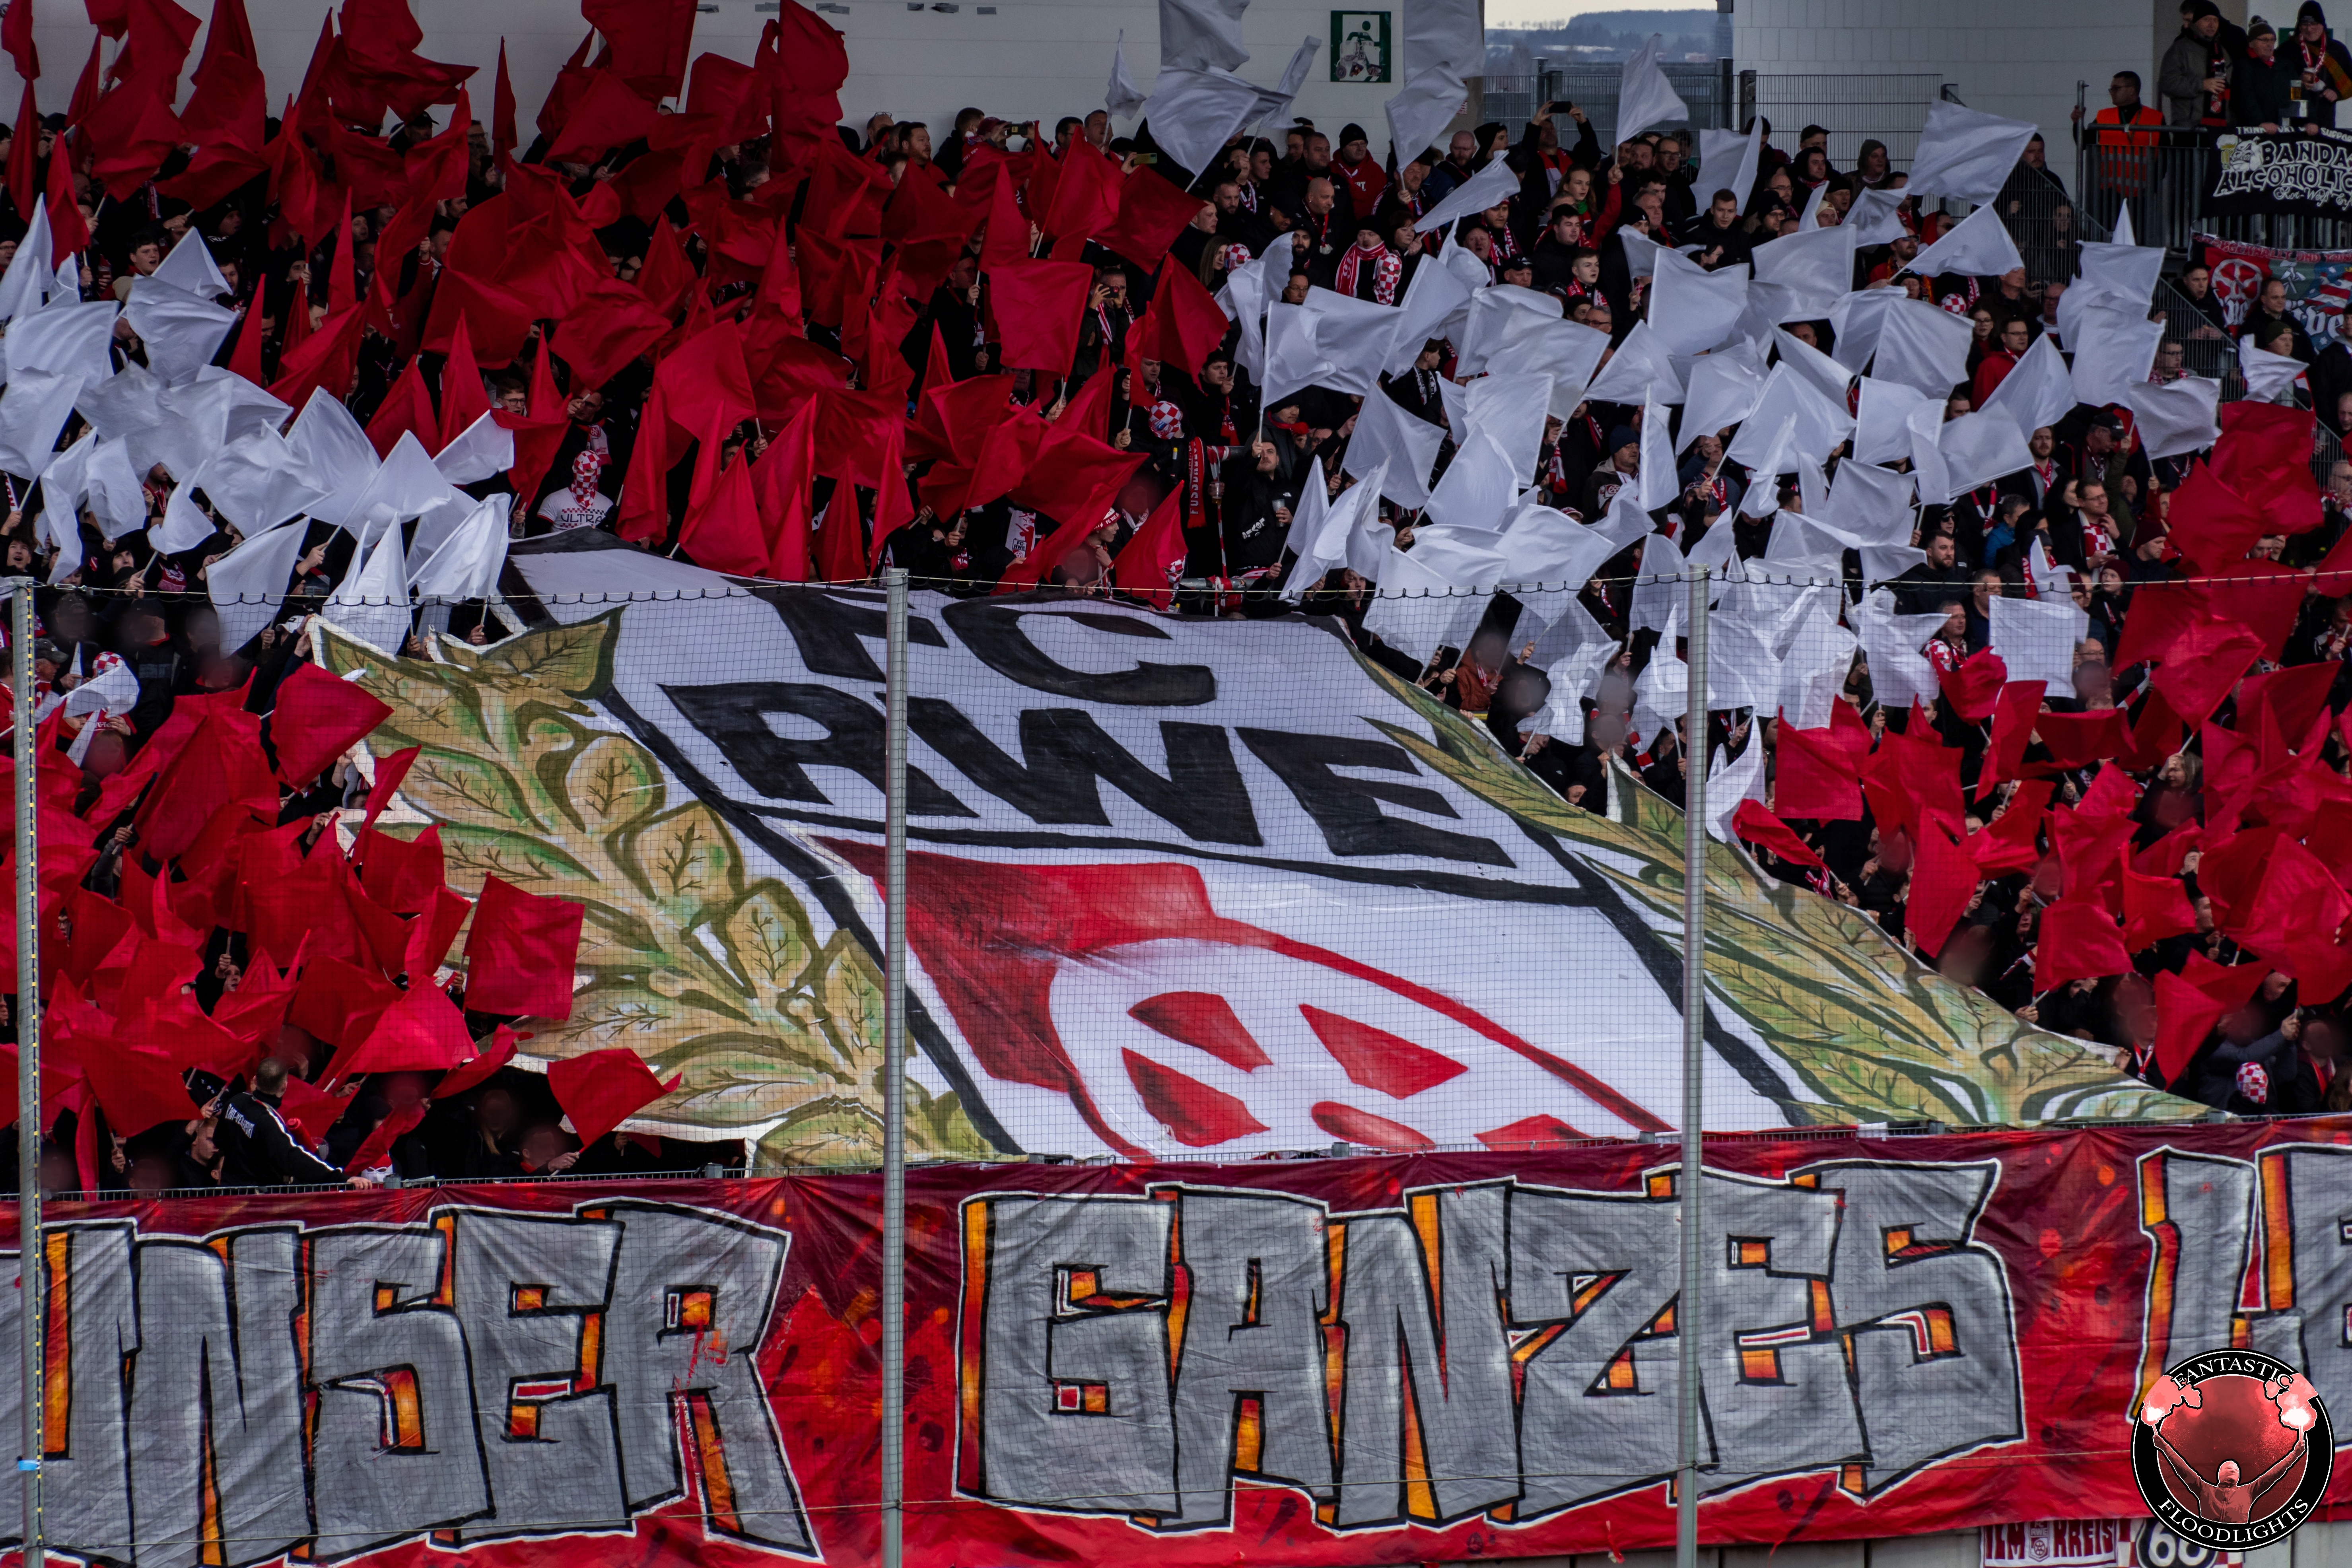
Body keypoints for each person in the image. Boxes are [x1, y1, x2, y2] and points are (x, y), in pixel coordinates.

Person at [215, 1058, 369, 1188]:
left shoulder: (234, 1102)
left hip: (228, 1192)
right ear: (284, 1086)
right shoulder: (268, 1122)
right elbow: (293, 1158)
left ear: (256, 1080)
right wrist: (341, 1179)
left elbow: (218, 1140)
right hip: (255, 1202)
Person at [2235, 17, 2299, 128]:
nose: (2270, 44)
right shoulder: (2244, 65)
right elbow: (2245, 97)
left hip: (2284, 129)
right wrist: (2260, 122)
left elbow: (2298, 95)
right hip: (2255, 130)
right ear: (2251, 43)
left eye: (2273, 40)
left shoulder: (2285, 65)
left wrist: (2309, 121)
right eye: (2264, 40)